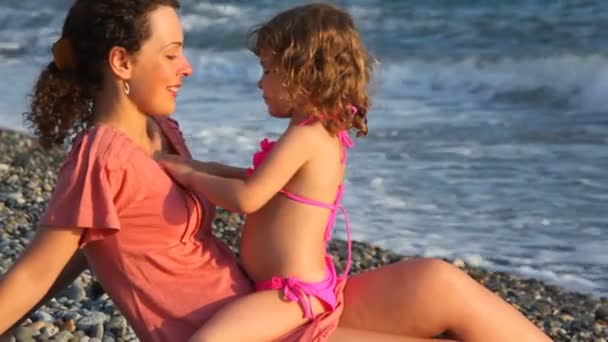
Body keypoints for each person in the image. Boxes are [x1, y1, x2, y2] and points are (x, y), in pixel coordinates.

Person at [0, 1, 551, 341]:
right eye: (171, 54)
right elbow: (42, 266)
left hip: (275, 303)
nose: (187, 67)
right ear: (122, 63)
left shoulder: (163, 135)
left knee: (437, 281)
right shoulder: (103, 154)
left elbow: (84, 239)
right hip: (238, 330)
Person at [157, 4, 370, 341]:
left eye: (269, 71)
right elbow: (255, 179)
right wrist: (197, 166)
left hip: (292, 295)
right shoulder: (314, 130)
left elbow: (248, 197)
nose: (260, 82)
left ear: (304, 74)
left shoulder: (307, 135)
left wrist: (190, 177)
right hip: (284, 289)